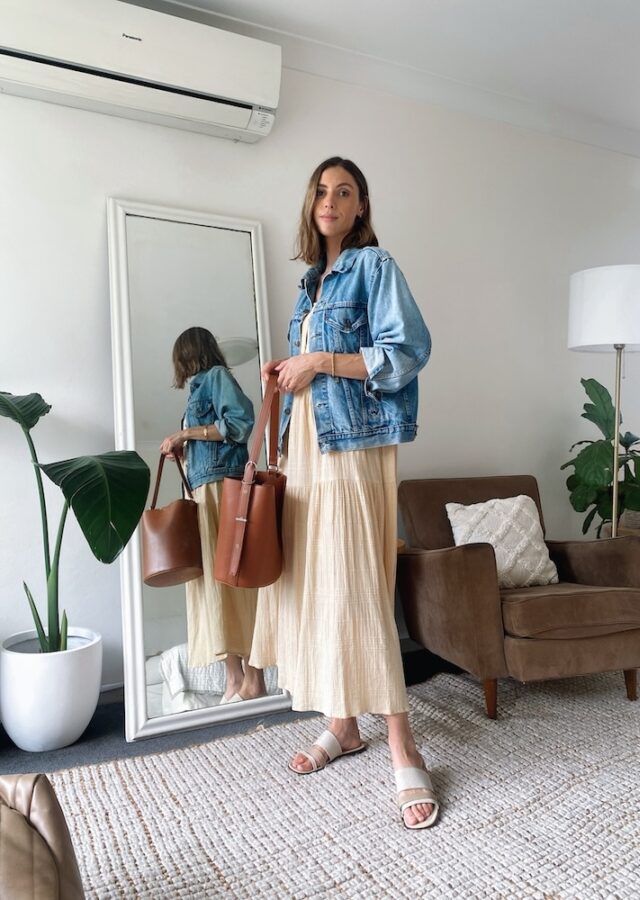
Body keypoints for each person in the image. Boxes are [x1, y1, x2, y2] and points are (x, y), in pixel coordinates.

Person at [244, 157, 438, 829]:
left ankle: (400, 741)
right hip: (305, 452)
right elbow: (311, 374)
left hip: (351, 450)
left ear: (361, 206)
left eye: (343, 191)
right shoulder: (309, 283)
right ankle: (342, 725)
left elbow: (406, 350)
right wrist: (289, 372)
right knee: (319, 586)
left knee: (355, 585)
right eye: (321, 190)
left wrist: (317, 361)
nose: (329, 200)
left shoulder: (374, 267)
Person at [160, 326, 266, 703]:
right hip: (205, 491)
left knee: (234, 580)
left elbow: (239, 423)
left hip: (222, 490)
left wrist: (186, 436)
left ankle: (253, 678)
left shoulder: (216, 378)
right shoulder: (195, 392)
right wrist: (183, 450)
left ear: (190, 352)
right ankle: (234, 680)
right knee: (212, 587)